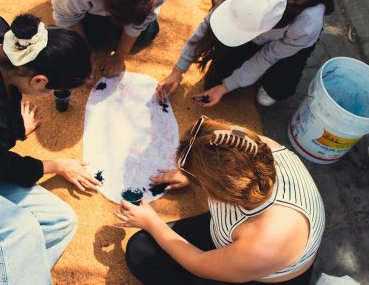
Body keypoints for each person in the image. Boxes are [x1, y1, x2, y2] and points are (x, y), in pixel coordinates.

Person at [0, 13, 102, 284]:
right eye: (52, 90)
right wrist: (56, 165)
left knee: (60, 221)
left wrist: (12, 126)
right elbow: (3, 166)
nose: (50, 95)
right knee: (21, 229)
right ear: (39, 80)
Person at [115, 116, 325, 284]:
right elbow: (222, 139)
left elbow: (197, 263)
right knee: (146, 246)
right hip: (237, 234)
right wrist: (190, 171)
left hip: (262, 275)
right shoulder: (257, 146)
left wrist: (152, 223)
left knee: (140, 252)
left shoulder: (265, 241)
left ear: (220, 193)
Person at [156, 0, 334, 107]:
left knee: (279, 89)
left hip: (291, 43)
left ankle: (272, 81)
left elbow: (267, 56)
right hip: (261, 32)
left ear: (268, 28)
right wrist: (178, 71)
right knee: (213, 84)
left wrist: (227, 86)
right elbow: (207, 26)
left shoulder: (306, 25)